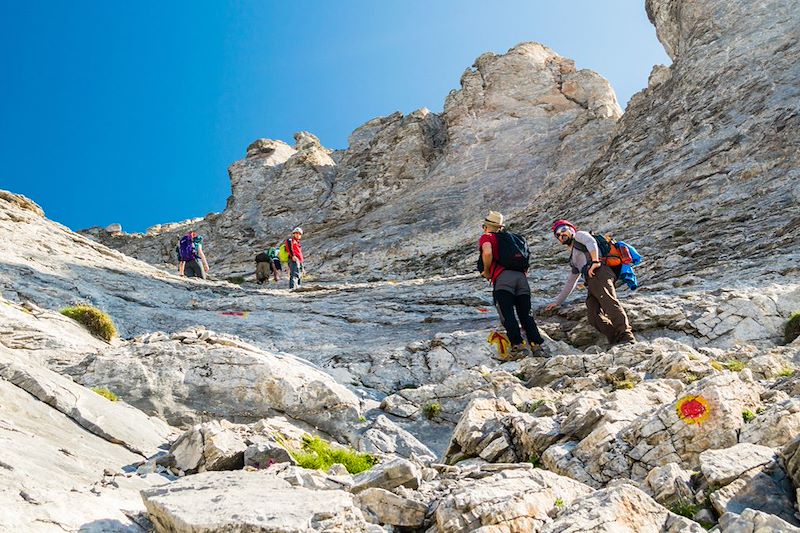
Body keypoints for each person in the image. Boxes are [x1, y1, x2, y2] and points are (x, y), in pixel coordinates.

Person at [544, 219, 635, 345]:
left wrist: (595, 261)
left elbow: (591, 242)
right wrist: (557, 302)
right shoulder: (573, 256)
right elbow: (571, 281)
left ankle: (626, 336)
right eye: (557, 235)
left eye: (563, 230)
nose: (561, 235)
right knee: (593, 316)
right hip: (592, 280)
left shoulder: (580, 235)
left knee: (609, 303)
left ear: (571, 229)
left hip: (600, 272)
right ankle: (615, 338)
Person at [479, 211, 545, 360]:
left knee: (507, 314)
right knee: (526, 314)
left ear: (487, 227)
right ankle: (537, 346)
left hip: (504, 279)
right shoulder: (516, 239)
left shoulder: (488, 237)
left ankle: (519, 347)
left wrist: (487, 271)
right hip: (522, 279)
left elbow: (487, 252)